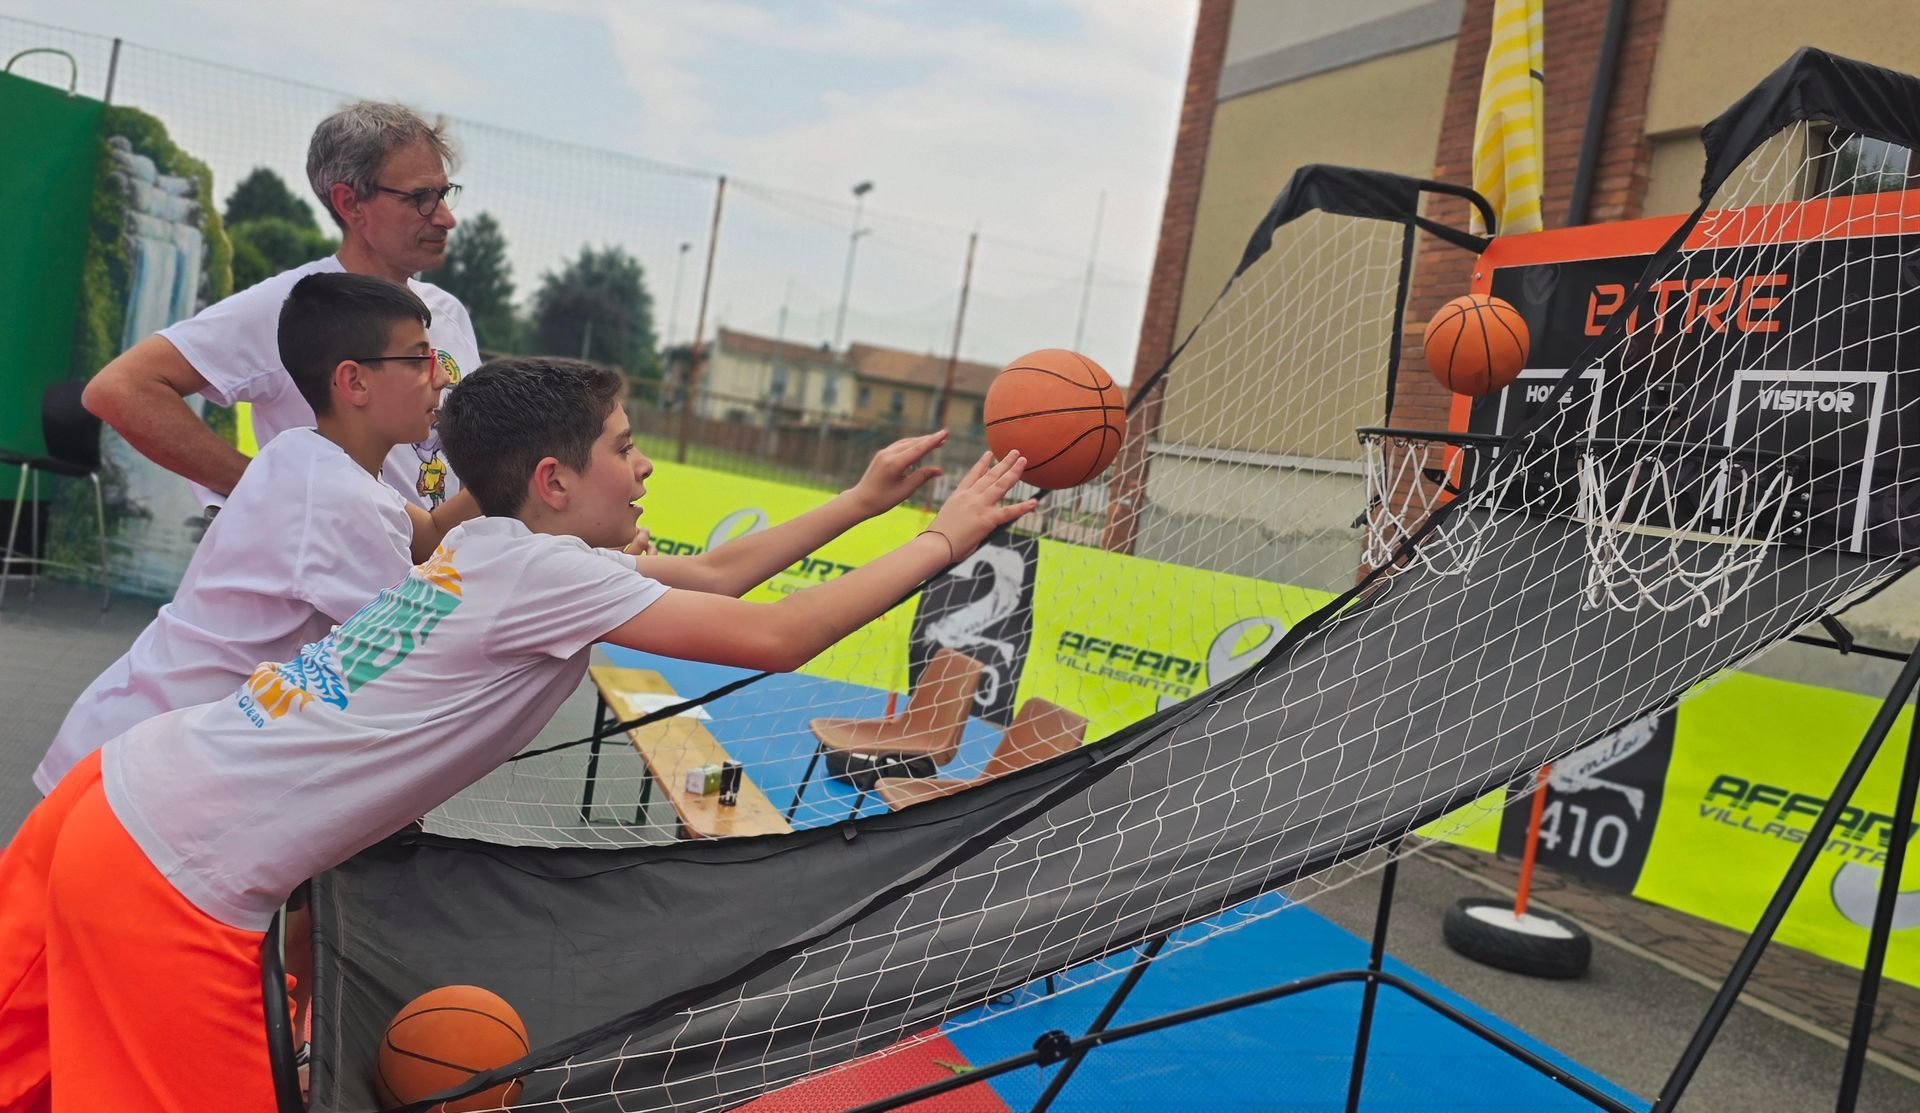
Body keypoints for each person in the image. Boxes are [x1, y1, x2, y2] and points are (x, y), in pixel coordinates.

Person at [0, 356, 1034, 1111]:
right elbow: (776, 635)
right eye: (625, 446)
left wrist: (864, 501)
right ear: (553, 480)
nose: (645, 468)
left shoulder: (498, 551)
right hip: (167, 875)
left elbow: (722, 577)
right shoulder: (540, 574)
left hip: (119, 796)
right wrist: (945, 538)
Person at [34, 273, 456, 795]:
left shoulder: (299, 451)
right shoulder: (344, 499)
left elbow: (430, 531)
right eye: (418, 359)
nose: (441, 376)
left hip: (119, 725)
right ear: (354, 382)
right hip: (143, 769)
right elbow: (417, 655)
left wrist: (508, 465)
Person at [81, 100, 479, 514]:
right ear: (350, 203)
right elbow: (120, 389)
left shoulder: (447, 311)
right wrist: (265, 490)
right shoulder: (293, 306)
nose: (445, 218)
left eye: (443, 194)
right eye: (421, 198)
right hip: (338, 557)